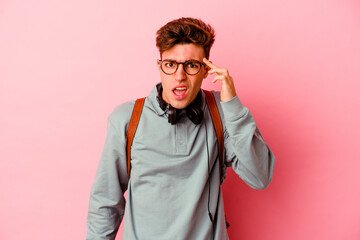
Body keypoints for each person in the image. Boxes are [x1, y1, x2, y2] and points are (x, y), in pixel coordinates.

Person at [86, 17, 275, 240]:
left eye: (191, 65)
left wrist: (232, 104)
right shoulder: (127, 118)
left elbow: (260, 177)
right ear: (160, 66)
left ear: (206, 70)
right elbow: (106, 202)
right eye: (170, 64)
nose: (180, 76)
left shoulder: (222, 113)